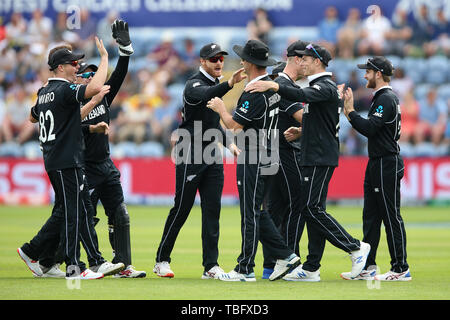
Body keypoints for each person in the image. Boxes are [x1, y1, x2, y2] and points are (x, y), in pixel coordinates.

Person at [245, 43, 370, 282]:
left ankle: (355, 247)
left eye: (307, 58)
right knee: (313, 209)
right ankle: (312, 267)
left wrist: (273, 84)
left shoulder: (323, 86)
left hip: (318, 156)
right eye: (301, 58)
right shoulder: (324, 87)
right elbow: (320, 119)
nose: (302, 62)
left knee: (310, 208)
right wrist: (303, 131)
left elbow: (302, 96)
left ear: (317, 62)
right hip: (317, 153)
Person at [17, 38, 124, 280]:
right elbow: (95, 88)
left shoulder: (45, 92)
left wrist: (88, 128)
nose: (77, 67)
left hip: (54, 158)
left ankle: (47, 258)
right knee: (74, 213)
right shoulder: (64, 89)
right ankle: (75, 267)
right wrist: (106, 58)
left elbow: (34, 117)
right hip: (67, 160)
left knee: (72, 211)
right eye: (73, 63)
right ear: (61, 67)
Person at [207, 39, 301, 282]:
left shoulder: (253, 91)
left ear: (249, 62)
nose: (240, 61)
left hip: (254, 156)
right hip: (270, 154)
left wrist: (220, 108)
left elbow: (235, 126)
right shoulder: (271, 88)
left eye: (243, 58)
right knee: (259, 212)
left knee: (250, 212)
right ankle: (286, 255)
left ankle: (245, 268)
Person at [153, 43, 245, 280]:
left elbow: (213, 124)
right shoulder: (194, 84)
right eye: (214, 59)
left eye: (221, 59)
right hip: (189, 152)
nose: (219, 63)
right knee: (182, 208)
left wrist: (230, 144)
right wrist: (230, 83)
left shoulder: (214, 86)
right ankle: (161, 260)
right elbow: (206, 96)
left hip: (211, 154)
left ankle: (210, 266)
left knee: (212, 210)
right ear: (202, 61)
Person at [72, 19, 146, 278]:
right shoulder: (72, 102)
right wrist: (90, 130)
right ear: (78, 80)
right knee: (84, 218)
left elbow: (120, 73)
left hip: (106, 164)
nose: (92, 77)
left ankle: (123, 265)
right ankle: (66, 261)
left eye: (94, 73)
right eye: (86, 74)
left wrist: (124, 48)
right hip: (84, 167)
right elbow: (67, 132)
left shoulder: (103, 96)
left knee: (120, 213)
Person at [341, 56, 411, 281]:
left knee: (390, 216)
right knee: (370, 216)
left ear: (378, 73)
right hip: (377, 162)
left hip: (385, 162)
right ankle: (369, 267)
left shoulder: (386, 98)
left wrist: (350, 113)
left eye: (368, 71)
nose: (365, 75)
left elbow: (370, 128)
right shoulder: (383, 97)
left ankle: (400, 267)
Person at [261, 41, 309, 280]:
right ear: (297, 59)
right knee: (297, 203)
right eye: (306, 59)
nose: (308, 65)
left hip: (272, 150)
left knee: (276, 209)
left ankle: (270, 264)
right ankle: (289, 258)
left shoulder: (279, 85)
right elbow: (305, 119)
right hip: (283, 151)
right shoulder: (283, 86)